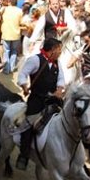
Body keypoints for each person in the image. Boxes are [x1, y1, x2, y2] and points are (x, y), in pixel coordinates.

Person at [15, 37, 65, 170]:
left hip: (53, 100)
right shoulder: (35, 60)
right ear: (52, 50)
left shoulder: (57, 63)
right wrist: (24, 86)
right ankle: (24, 155)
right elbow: (23, 74)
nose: (60, 52)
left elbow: (61, 78)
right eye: (59, 49)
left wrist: (59, 90)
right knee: (29, 125)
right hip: (37, 99)